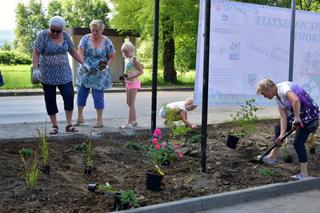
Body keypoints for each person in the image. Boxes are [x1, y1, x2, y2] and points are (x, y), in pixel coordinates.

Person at [256, 79, 319, 180]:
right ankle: (272, 157)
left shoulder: (283, 88)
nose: (264, 96)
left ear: (268, 89)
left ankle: (304, 174)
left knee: (298, 143)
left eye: (264, 94)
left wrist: (297, 118)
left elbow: (296, 100)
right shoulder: (278, 98)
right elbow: (283, 118)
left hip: (310, 116)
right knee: (278, 128)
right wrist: (281, 135)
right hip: (301, 115)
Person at [32, 16, 86, 134]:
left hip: (64, 73)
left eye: (58, 30)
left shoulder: (66, 36)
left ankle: (69, 124)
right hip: (47, 74)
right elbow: (36, 52)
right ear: (49, 27)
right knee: (50, 99)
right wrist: (35, 68)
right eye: (53, 30)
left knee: (69, 95)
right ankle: (54, 125)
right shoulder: (43, 36)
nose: (55, 32)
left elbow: (72, 51)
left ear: (62, 29)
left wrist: (83, 63)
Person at [75, 19, 115, 128]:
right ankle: (80, 118)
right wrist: (82, 63)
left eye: (97, 30)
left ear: (102, 30)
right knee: (81, 94)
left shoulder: (107, 41)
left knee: (98, 96)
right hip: (85, 71)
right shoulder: (85, 39)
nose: (94, 32)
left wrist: (107, 65)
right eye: (93, 30)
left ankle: (99, 120)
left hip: (99, 73)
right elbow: (80, 53)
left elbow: (111, 57)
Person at [119, 41, 143, 129]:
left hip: (134, 83)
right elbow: (128, 72)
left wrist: (132, 76)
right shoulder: (126, 60)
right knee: (129, 103)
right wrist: (124, 78)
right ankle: (134, 121)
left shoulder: (134, 59)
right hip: (128, 83)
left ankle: (130, 122)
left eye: (127, 51)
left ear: (132, 50)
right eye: (124, 52)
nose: (125, 53)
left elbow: (141, 71)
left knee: (131, 103)